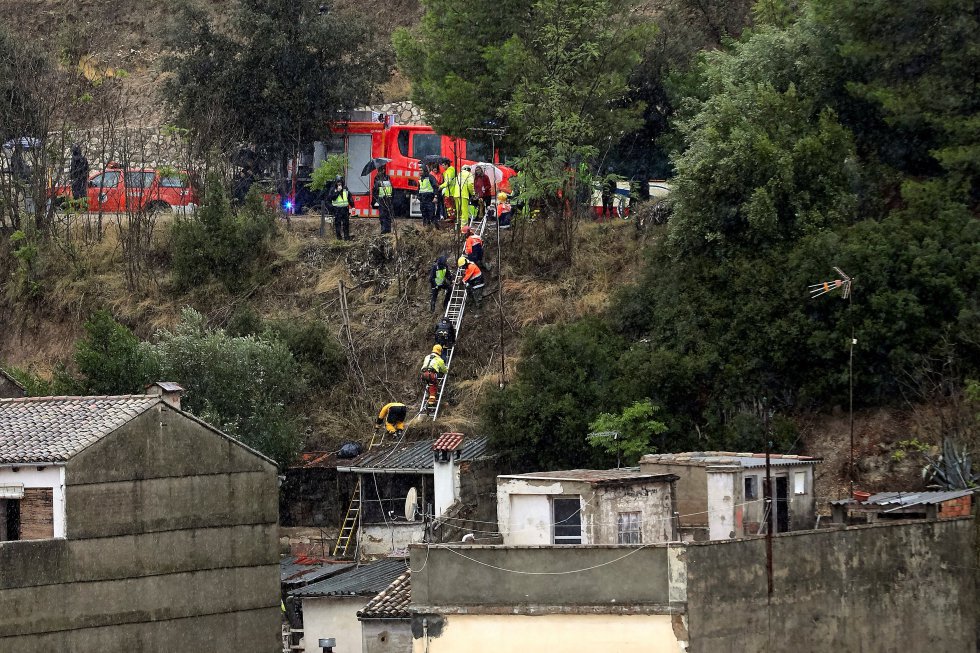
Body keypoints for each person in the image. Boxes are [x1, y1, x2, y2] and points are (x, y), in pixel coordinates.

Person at [420, 344, 448, 409]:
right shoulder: (439, 359)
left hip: (423, 374)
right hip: (431, 375)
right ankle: (431, 404)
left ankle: (428, 394)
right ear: (440, 351)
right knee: (434, 385)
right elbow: (444, 370)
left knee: (429, 384)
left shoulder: (427, 357)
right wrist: (446, 370)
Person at [373, 166, 394, 234]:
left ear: (383, 170)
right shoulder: (376, 178)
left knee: (388, 216)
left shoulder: (387, 178)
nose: (378, 172)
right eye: (378, 171)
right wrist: (375, 201)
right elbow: (375, 191)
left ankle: (388, 231)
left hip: (388, 200)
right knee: (382, 216)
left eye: (380, 171)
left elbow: (392, 190)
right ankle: (384, 231)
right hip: (382, 200)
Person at [455, 165, 475, 232]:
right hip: (463, 195)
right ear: (469, 169)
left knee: (459, 212)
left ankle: (457, 227)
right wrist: (473, 193)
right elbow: (470, 184)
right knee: (464, 213)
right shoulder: (469, 174)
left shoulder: (459, 174)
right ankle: (463, 230)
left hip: (456, 194)